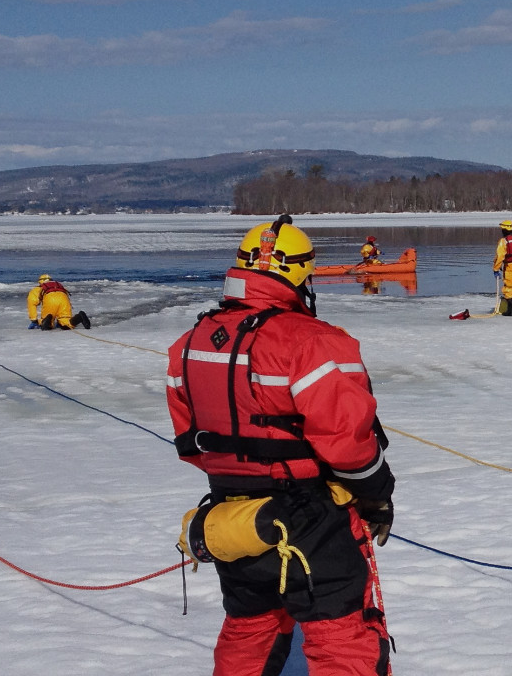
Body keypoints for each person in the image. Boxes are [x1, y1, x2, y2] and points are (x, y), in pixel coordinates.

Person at [167, 214, 396, 675]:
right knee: (342, 640)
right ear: (299, 273)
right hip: (311, 519)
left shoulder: (188, 344)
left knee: (250, 630)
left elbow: (193, 442)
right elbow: (349, 443)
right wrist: (377, 496)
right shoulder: (313, 341)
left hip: (234, 518)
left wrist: (243, 474)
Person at [26, 274, 91, 330]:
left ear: (40, 282)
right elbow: (67, 297)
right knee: (66, 323)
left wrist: (34, 319)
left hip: (50, 299)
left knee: (46, 322)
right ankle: (79, 316)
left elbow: (32, 303)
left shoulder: (38, 288)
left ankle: (48, 320)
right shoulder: (58, 286)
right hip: (63, 299)